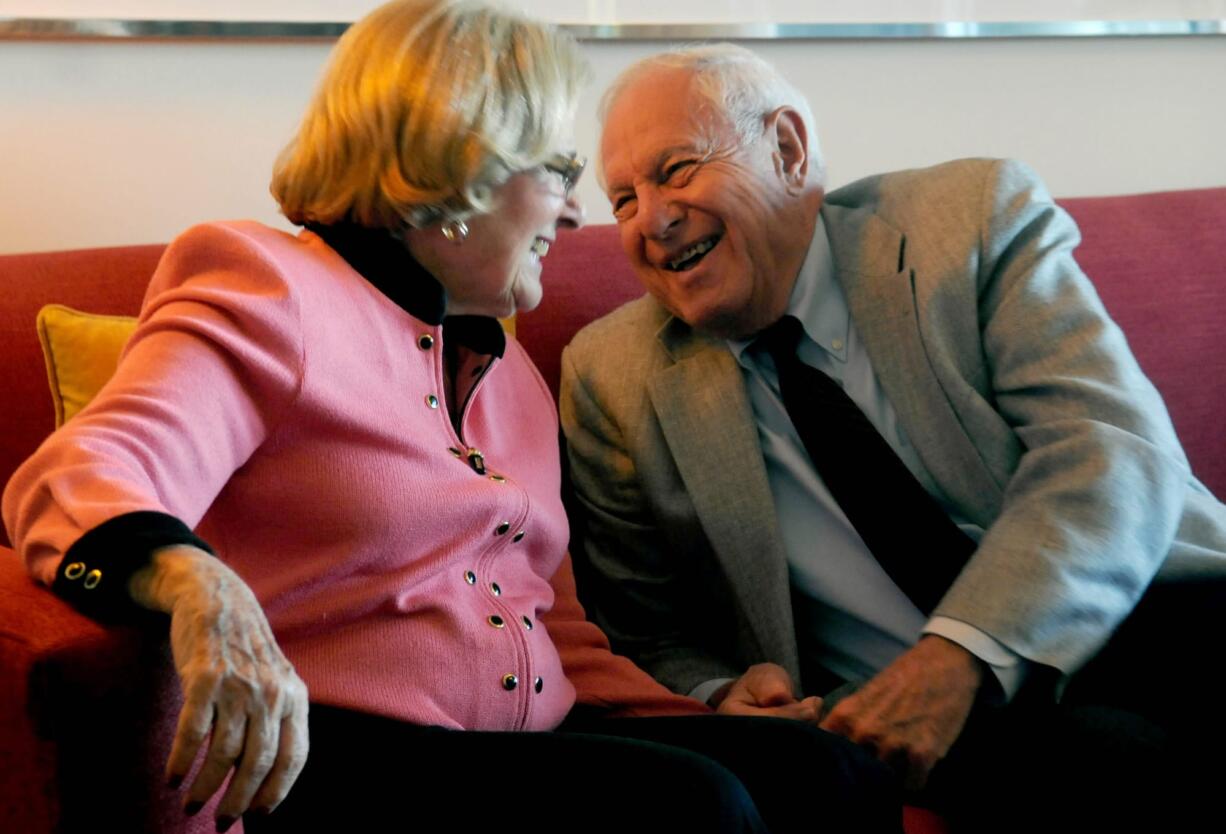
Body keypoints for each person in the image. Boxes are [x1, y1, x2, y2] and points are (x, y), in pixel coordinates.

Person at [4, 5, 906, 833]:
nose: (580, 210)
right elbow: (78, 477)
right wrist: (202, 587)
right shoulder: (268, 287)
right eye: (557, 170)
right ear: (458, 158)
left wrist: (699, 715)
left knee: (829, 771)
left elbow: (548, 627)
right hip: (336, 757)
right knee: (691, 810)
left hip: (515, 748)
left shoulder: (507, 369)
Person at [560, 42, 1226, 831]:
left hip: (1144, 614)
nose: (653, 221)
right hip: (922, 724)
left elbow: (1107, 449)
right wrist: (718, 695)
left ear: (786, 148)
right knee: (1109, 772)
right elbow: (643, 629)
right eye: (624, 199)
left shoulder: (966, 221)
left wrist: (964, 653)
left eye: (675, 171)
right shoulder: (612, 374)